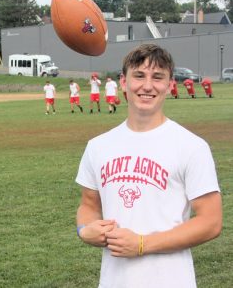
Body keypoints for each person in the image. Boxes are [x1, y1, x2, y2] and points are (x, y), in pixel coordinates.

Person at [75, 44, 222, 287]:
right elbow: (88, 205)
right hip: (114, 281)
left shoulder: (191, 146)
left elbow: (211, 222)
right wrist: (85, 229)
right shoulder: (98, 146)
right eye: (139, 75)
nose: (147, 86)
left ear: (170, 84)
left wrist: (142, 244)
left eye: (157, 77)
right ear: (123, 82)